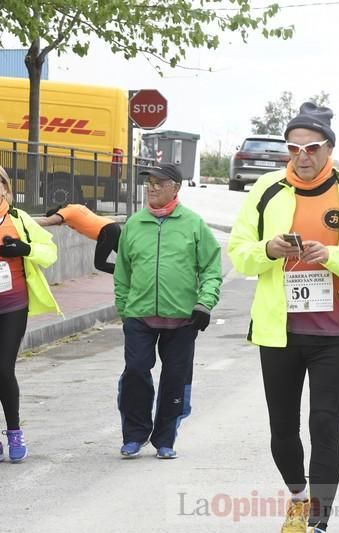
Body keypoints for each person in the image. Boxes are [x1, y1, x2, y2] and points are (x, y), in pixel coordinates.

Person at [227, 103, 339, 533]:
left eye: (312, 147)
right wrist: (268, 250)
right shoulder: (266, 188)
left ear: (329, 149)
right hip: (279, 329)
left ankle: (319, 521)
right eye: (294, 148)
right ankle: (299, 498)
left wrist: (333, 256)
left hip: (334, 332)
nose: (302, 156)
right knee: (282, 427)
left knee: (324, 422)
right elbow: (240, 252)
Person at [114, 163, 221, 461]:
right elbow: (122, 271)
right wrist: (124, 308)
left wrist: (204, 303)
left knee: (175, 378)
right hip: (139, 315)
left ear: (176, 187)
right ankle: (134, 435)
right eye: (149, 182)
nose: (152, 187)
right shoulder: (134, 224)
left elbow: (212, 269)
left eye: (160, 183)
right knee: (135, 371)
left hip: (183, 318)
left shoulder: (193, 224)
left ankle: (165, 439)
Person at [0, 161, 60, 466]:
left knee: (2, 369)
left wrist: (23, 249)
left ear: (5, 187)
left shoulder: (18, 219)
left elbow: (49, 252)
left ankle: (15, 432)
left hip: (12, 306)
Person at [38, 203, 121, 274]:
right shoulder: (74, 207)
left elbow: (48, 221)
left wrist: (27, 222)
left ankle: (125, 274)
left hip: (106, 231)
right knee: (126, 255)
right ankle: (131, 274)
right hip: (113, 226)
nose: (59, 225)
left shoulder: (64, 212)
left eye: (58, 223)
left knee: (100, 264)